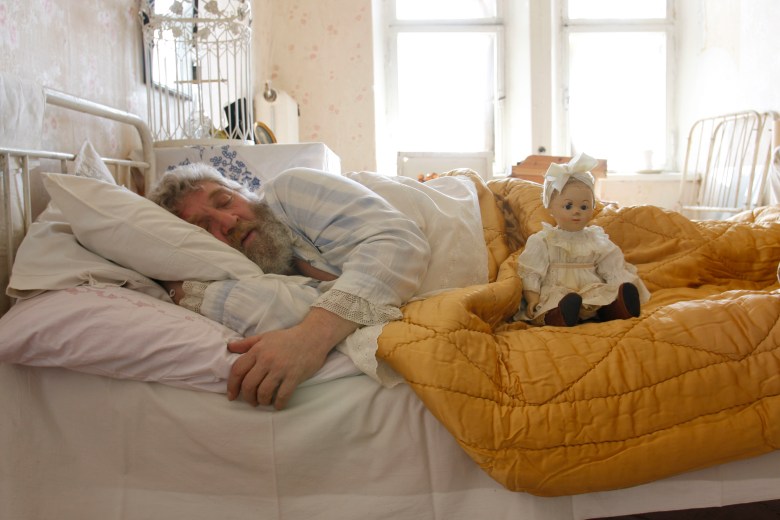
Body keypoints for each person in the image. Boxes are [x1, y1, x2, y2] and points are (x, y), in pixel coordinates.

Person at [149, 163, 488, 409]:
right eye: (204, 227)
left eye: (224, 201)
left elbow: (398, 243)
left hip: (491, 225)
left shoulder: (288, 190)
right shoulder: (265, 269)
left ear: (244, 192)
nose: (227, 221)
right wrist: (176, 286)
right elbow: (277, 307)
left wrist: (309, 339)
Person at [514, 153, 651, 327]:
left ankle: (617, 308)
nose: (577, 211)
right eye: (568, 206)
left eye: (584, 206)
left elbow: (611, 266)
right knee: (554, 303)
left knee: (604, 296)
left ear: (593, 207)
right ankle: (560, 316)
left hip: (590, 290)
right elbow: (532, 271)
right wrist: (532, 298)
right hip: (558, 291)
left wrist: (618, 287)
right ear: (550, 207)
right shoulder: (544, 240)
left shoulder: (596, 239)